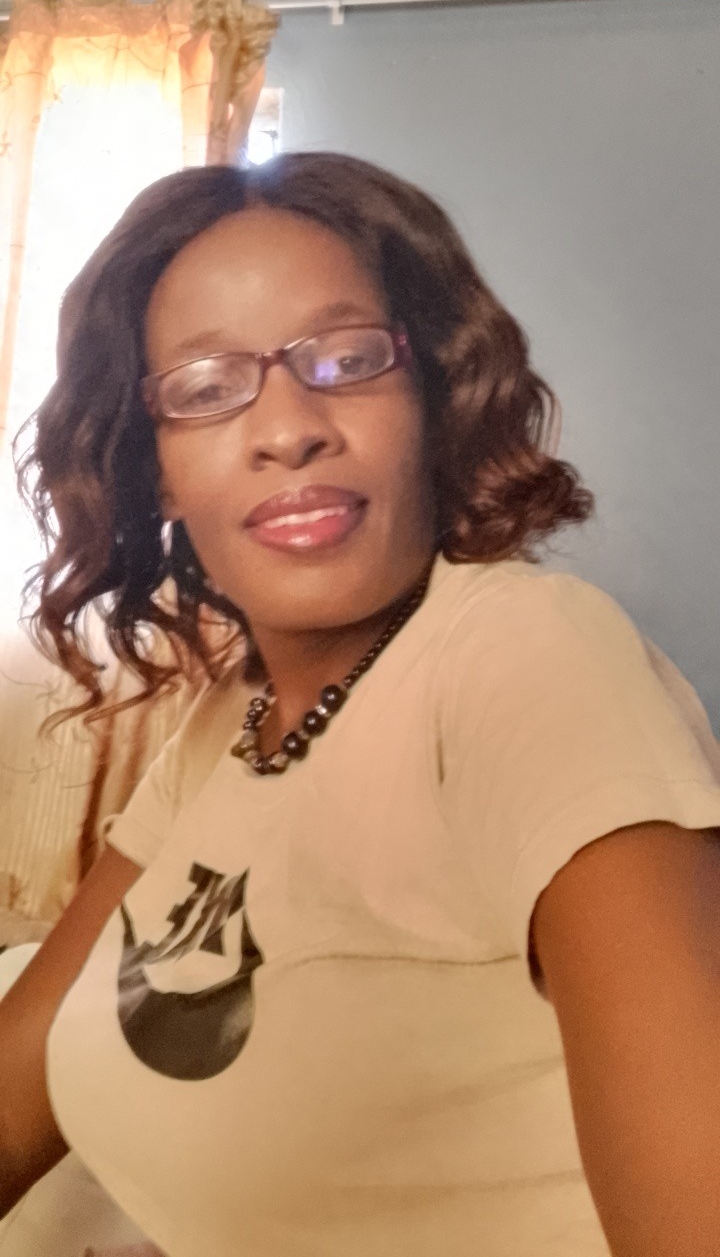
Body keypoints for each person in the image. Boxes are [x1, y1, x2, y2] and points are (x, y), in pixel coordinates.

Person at [1, 151, 720, 1257]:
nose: (289, 427)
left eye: (345, 361)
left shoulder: (526, 657)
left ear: (434, 399)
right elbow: (17, 1091)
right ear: (157, 473)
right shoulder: (233, 719)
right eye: (206, 387)